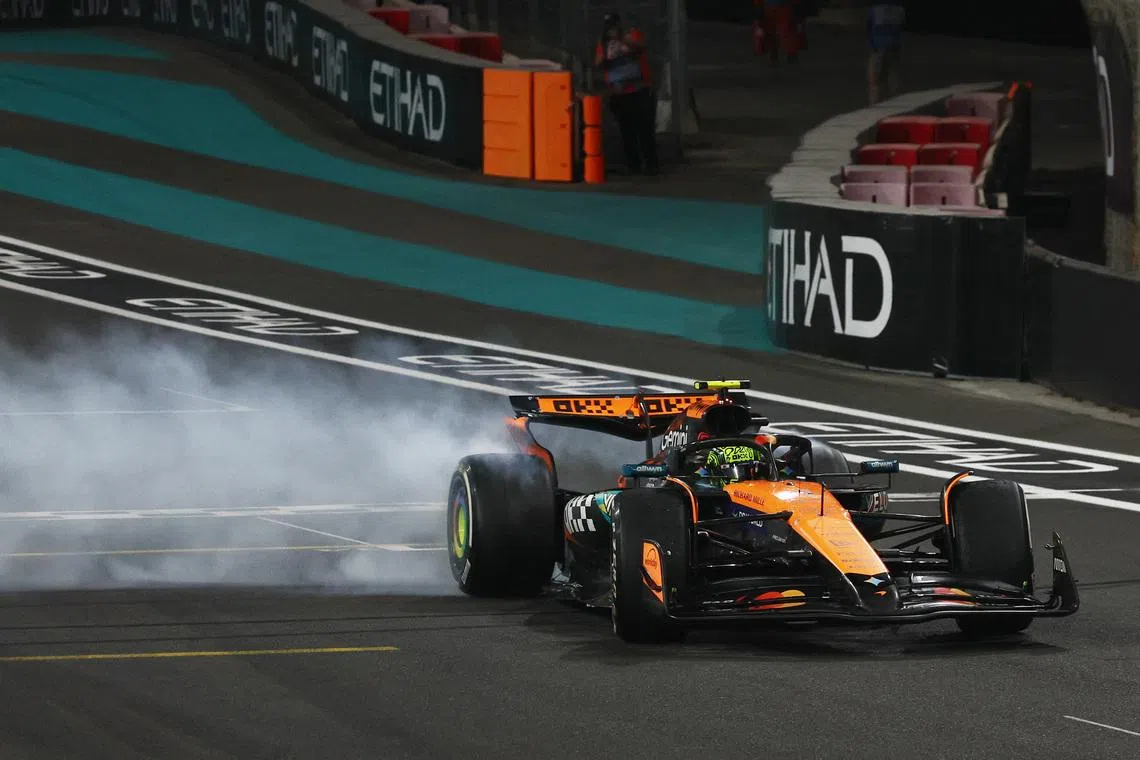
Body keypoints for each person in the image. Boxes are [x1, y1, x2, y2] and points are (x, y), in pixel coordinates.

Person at [594, 12, 659, 175]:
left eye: (614, 24)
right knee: (627, 130)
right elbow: (598, 63)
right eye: (609, 25)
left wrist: (622, 38)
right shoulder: (605, 42)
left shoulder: (631, 35)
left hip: (639, 89)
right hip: (620, 91)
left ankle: (651, 164)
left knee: (645, 129)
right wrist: (605, 50)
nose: (612, 28)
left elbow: (640, 48)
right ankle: (634, 164)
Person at [867, 3, 905, 104]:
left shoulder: (875, 10)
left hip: (878, 48)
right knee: (893, 77)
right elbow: (900, 27)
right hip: (894, 46)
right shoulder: (899, 10)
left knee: (875, 78)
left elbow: (869, 27)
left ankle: (875, 103)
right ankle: (896, 102)